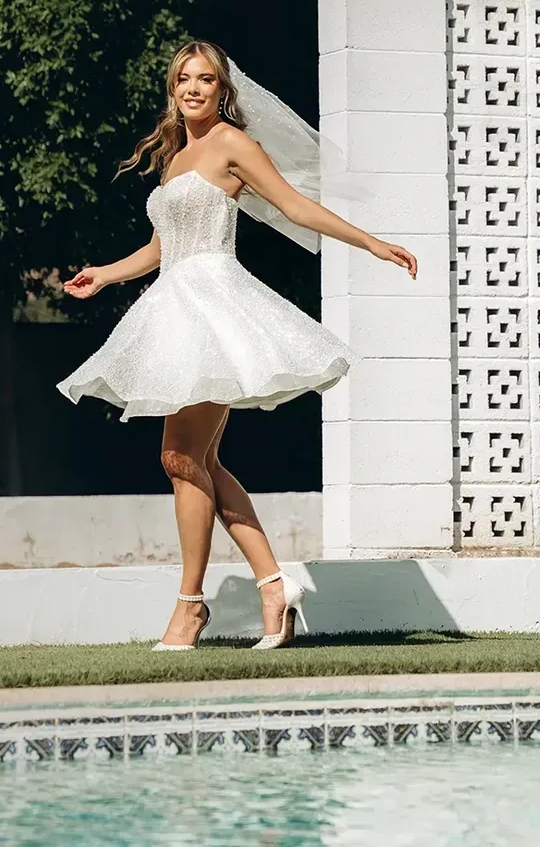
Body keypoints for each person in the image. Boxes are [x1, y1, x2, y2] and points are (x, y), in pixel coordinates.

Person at [57, 41, 417, 651]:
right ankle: (274, 588)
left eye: (205, 79)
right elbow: (162, 248)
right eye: (183, 79)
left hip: (216, 308)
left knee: (180, 458)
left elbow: (295, 206)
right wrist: (106, 275)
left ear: (222, 89)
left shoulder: (232, 144)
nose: (192, 89)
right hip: (175, 305)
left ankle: (190, 607)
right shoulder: (176, 157)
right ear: (172, 89)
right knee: (195, 462)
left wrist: (371, 243)